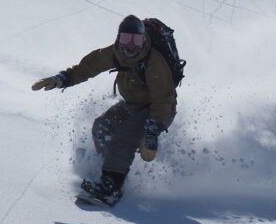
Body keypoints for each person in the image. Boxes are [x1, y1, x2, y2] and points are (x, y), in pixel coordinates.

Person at [32, 14, 177, 205]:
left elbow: (164, 100)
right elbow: (87, 68)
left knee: (123, 138)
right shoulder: (115, 52)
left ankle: (111, 188)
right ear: (118, 37)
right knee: (101, 127)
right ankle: (109, 169)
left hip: (157, 109)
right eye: (126, 38)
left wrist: (152, 129)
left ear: (143, 39)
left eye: (136, 39)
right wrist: (62, 79)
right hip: (133, 104)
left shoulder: (153, 62)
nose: (131, 45)